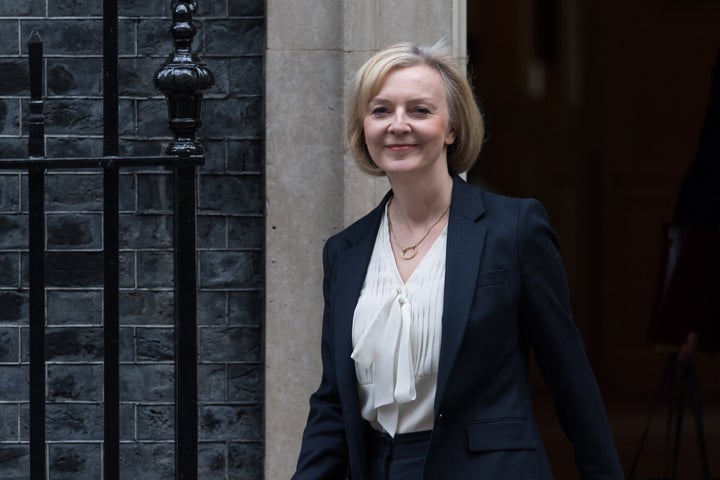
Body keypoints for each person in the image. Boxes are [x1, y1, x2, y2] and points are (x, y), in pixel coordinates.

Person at [292, 41, 623, 479]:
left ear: (452, 128)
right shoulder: (344, 251)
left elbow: (569, 378)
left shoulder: (515, 229)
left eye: (420, 110)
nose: (398, 125)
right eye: (380, 110)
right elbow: (334, 402)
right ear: (363, 128)